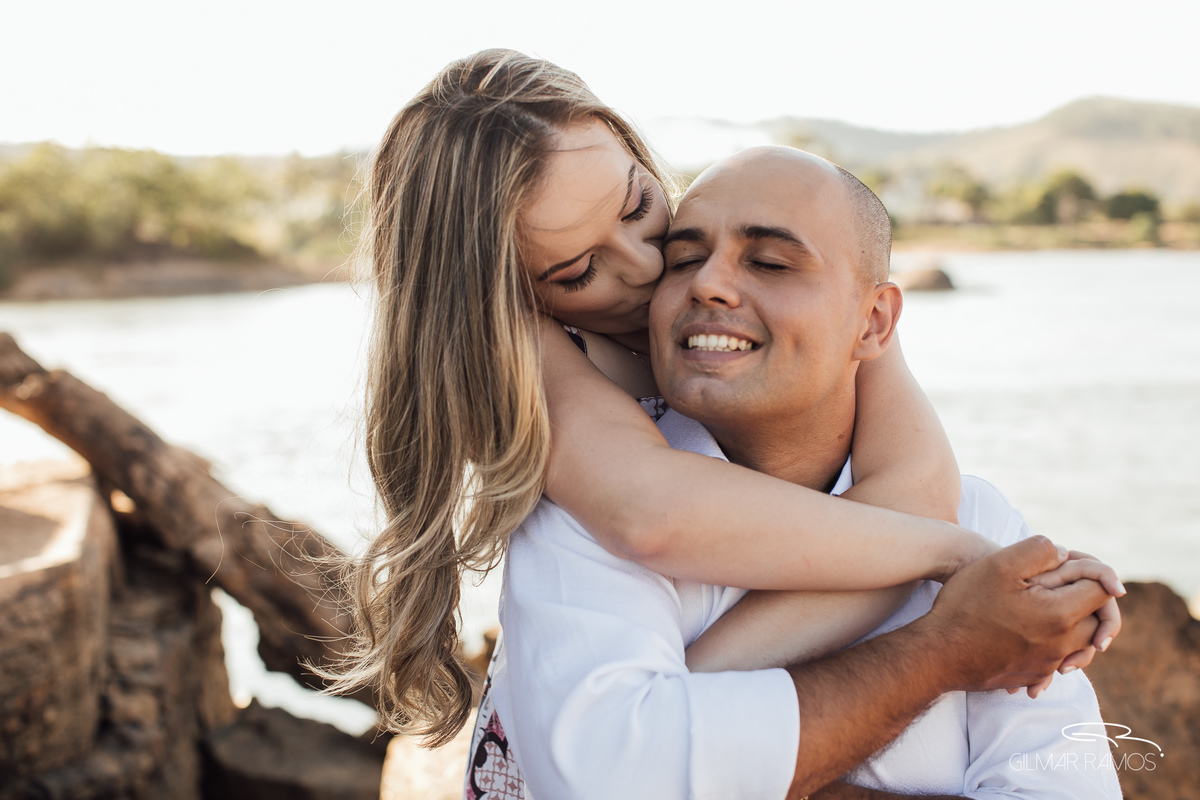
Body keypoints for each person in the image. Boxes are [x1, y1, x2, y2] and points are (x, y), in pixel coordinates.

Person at [319, 47, 1118, 756]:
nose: (645, 265)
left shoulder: (787, 294)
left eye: (638, 208)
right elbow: (652, 514)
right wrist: (958, 564)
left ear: (632, 149)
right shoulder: (536, 353)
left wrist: (698, 692)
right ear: (507, 300)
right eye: (577, 272)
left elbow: (919, 497)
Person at [475, 146, 1123, 798]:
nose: (707, 282)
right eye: (685, 259)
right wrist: (944, 652)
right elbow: (617, 778)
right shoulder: (580, 513)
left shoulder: (978, 520)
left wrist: (717, 746)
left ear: (874, 322)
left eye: (770, 262)